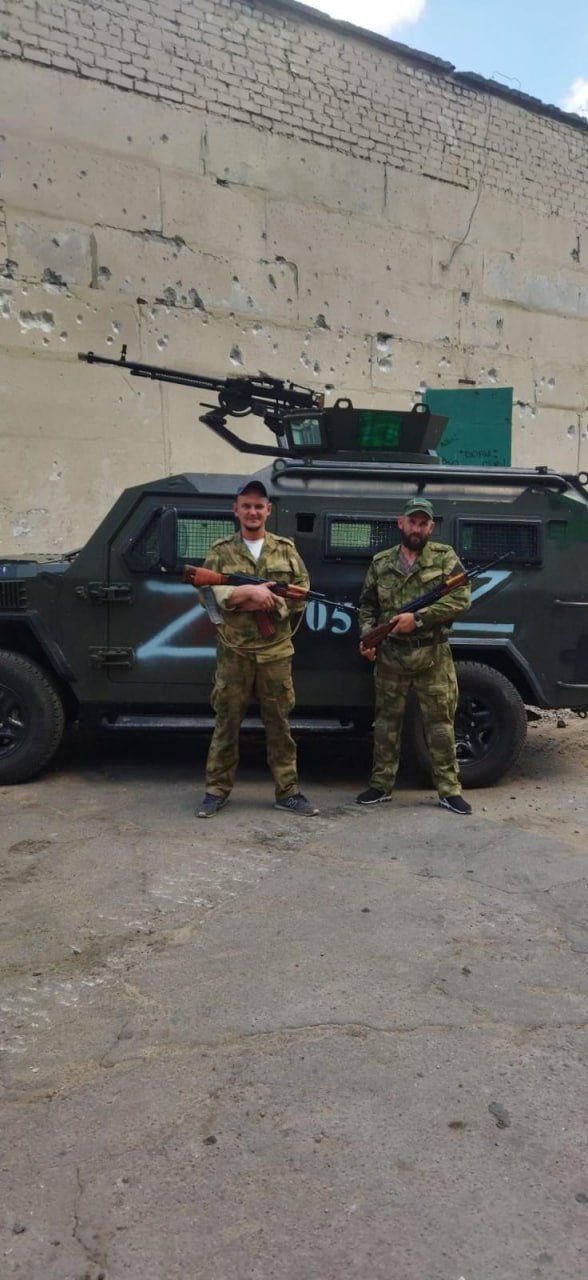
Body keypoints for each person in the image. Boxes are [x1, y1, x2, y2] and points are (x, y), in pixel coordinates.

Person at [197, 479, 318, 818]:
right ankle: (216, 791)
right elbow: (205, 592)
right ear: (235, 510)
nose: (253, 512)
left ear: (268, 510)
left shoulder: (285, 550)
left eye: (258, 506)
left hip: (274, 652)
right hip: (234, 651)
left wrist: (270, 602)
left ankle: (288, 791)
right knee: (226, 722)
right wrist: (241, 595)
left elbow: (302, 593)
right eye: (246, 506)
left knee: (279, 724)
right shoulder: (221, 551)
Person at [356, 497, 473, 815]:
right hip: (391, 656)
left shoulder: (444, 558)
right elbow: (367, 606)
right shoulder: (381, 562)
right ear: (401, 523)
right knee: (386, 725)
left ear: (431, 527)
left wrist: (418, 619)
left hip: (431, 655)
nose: (417, 529)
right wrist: (368, 637)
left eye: (423, 524)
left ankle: (449, 790)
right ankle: (381, 785)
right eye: (412, 522)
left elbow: (461, 599)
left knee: (440, 726)